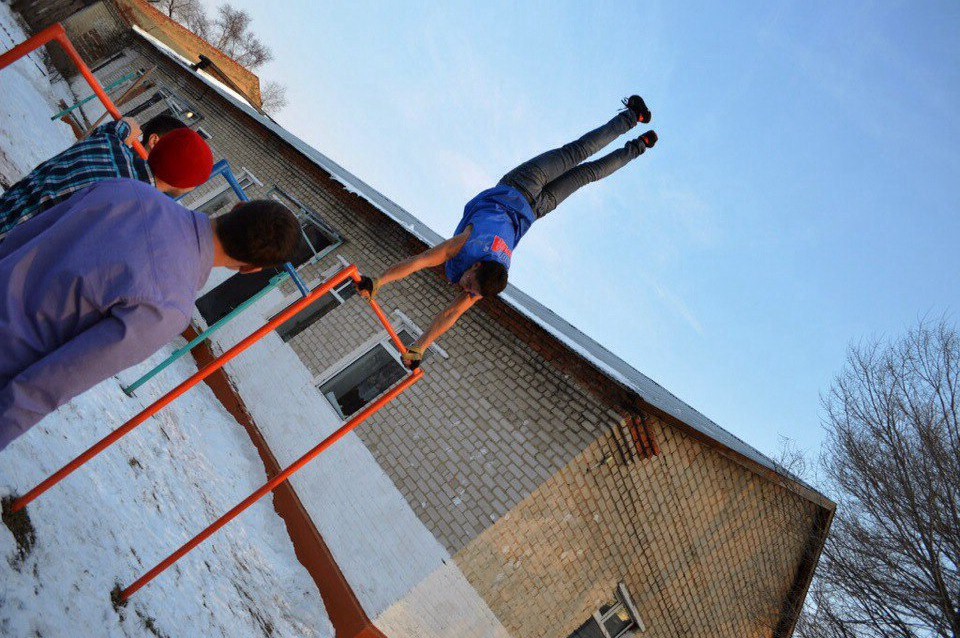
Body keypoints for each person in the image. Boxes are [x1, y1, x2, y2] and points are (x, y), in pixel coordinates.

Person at [358, 95, 658, 369]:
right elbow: (419, 262)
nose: (466, 290)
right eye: (470, 287)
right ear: (476, 266)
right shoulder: (464, 246)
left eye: (471, 292)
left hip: (535, 206)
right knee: (579, 157)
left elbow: (451, 312)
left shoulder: (489, 277)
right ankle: (633, 120)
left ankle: (639, 140)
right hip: (527, 187)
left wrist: (420, 346)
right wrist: (378, 281)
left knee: (586, 170)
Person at [0, 178, 300, 451]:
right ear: (250, 269)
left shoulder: (127, 190)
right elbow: (51, 383)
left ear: (238, 206)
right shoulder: (169, 306)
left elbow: (25, 235)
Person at [0, 113, 210, 241]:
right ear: (186, 186)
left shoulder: (107, 144)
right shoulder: (131, 210)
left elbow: (117, 129)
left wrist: (128, 125)